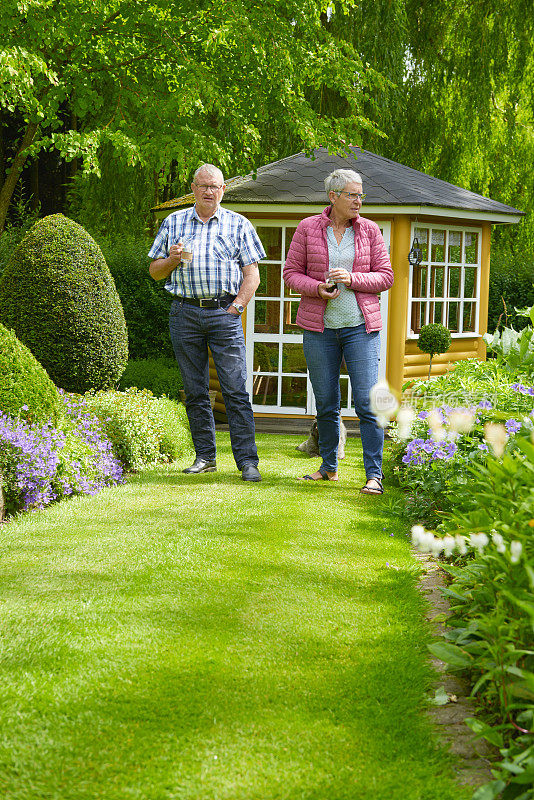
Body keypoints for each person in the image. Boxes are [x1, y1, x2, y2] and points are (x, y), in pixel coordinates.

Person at [148, 164, 266, 482]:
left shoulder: (239, 224)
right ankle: (205, 457)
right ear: (194, 188)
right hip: (184, 313)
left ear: (223, 189)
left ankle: (247, 462)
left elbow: (252, 275)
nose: (209, 191)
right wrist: (172, 259)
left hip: (224, 314)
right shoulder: (174, 223)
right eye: (203, 186)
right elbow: (155, 271)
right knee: (195, 390)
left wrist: (237, 307)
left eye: (214, 186)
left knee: (235, 389)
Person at [283, 168, 394, 494]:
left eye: (361, 195)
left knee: (366, 402)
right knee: (327, 402)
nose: (359, 200)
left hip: (361, 328)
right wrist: (318, 288)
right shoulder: (307, 229)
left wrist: (352, 279)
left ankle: (374, 475)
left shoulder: (370, 231)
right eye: (353, 195)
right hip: (320, 330)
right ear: (334, 197)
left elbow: (386, 276)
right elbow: (290, 273)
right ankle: (329, 466)